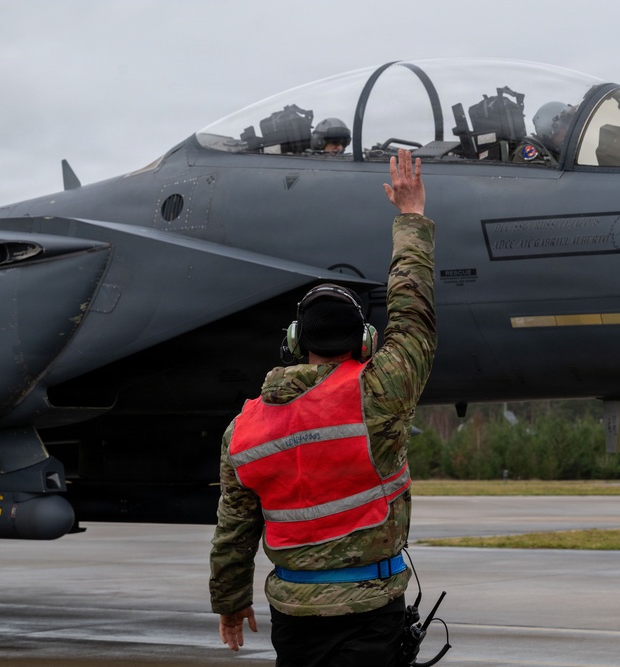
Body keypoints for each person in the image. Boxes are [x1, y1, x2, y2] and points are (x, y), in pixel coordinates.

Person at [209, 148, 436, 667]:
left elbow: (234, 530)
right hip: (371, 617)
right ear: (364, 342)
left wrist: (230, 602)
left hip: (294, 622)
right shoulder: (377, 393)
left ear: (294, 341)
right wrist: (411, 219)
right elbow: (414, 315)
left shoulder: (244, 429)